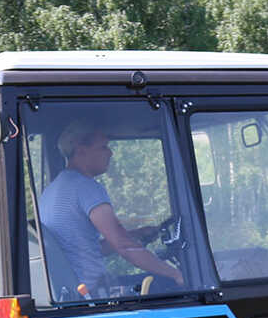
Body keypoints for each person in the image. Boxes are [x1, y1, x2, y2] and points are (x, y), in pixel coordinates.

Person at [38, 120, 182, 296]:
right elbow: (124, 245)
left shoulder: (51, 190)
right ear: (81, 151)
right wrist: (174, 273)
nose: (110, 153)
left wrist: (136, 235)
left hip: (72, 291)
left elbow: (87, 248)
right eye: (103, 147)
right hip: (91, 294)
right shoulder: (86, 187)